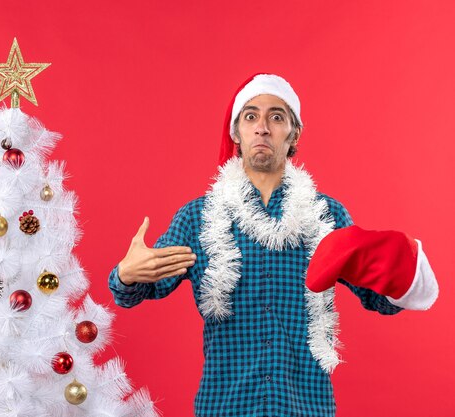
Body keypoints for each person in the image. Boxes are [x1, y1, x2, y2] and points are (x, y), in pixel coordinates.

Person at [107, 73, 438, 417]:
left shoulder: (326, 215)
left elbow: (379, 300)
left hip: (306, 406)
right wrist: (126, 275)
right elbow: (139, 290)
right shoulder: (199, 216)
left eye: (276, 117)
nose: (262, 127)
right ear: (236, 132)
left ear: (294, 134)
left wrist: (401, 271)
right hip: (225, 406)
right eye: (250, 116)